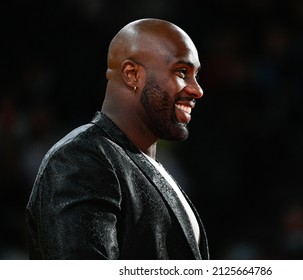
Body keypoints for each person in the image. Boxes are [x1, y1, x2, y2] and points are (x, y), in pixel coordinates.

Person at [25, 18, 209, 260]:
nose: (197, 89)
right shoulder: (81, 158)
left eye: (195, 75)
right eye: (182, 72)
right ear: (132, 75)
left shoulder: (140, 164)